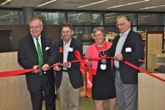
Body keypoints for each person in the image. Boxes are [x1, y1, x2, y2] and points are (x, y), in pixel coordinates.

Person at [18, 18, 56, 110]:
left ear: (41, 28)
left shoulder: (48, 39)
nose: (34, 29)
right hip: (34, 79)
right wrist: (32, 67)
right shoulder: (23, 42)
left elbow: (53, 54)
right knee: (36, 106)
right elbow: (21, 59)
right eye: (31, 27)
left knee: (51, 104)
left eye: (36, 27)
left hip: (48, 78)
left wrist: (48, 63)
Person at [110, 15, 144, 110]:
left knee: (129, 101)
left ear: (128, 24)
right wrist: (103, 55)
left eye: (122, 24)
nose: (119, 26)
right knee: (120, 100)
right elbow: (111, 51)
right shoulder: (117, 38)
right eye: (118, 25)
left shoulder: (135, 36)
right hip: (117, 73)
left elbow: (139, 53)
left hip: (129, 74)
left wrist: (123, 56)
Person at [53, 23, 84, 110]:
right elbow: (54, 59)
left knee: (74, 104)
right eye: (63, 32)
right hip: (61, 75)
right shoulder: (57, 44)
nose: (65, 33)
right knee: (63, 103)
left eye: (67, 31)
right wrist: (55, 66)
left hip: (73, 75)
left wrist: (69, 64)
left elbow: (79, 60)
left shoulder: (77, 44)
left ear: (72, 32)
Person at [85, 27, 116, 110]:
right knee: (98, 101)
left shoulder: (111, 46)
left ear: (104, 36)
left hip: (110, 76)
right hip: (97, 78)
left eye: (99, 35)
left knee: (113, 99)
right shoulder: (90, 49)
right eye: (95, 35)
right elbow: (86, 62)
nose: (97, 37)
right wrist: (88, 62)